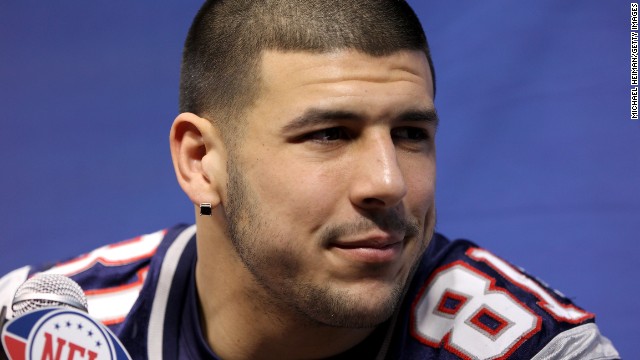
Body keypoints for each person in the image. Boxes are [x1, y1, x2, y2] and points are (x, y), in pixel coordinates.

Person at [0, 1, 620, 359]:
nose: (388, 182)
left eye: (411, 134)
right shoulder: (38, 330)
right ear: (199, 161)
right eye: (329, 134)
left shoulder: (533, 352)